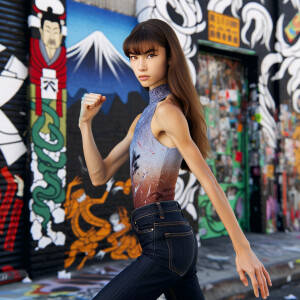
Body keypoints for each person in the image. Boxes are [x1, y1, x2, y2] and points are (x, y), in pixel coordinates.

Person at [79, 19, 272, 300]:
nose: (140, 66)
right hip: (165, 240)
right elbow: (100, 174)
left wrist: (242, 248)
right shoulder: (142, 118)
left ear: (170, 57)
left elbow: (207, 178)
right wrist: (85, 125)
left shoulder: (167, 112)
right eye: (134, 57)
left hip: (166, 244)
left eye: (150, 55)